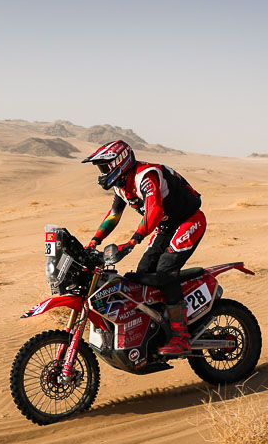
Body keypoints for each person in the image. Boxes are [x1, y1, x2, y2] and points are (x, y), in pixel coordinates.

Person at [81, 140, 207, 355]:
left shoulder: (145, 176)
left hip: (189, 220)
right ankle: (156, 328)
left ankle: (181, 336)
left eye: (104, 167)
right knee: (143, 273)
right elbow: (113, 215)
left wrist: (133, 241)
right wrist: (94, 241)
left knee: (165, 270)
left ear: (119, 162)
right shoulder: (121, 186)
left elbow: (155, 211)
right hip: (166, 227)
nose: (102, 173)